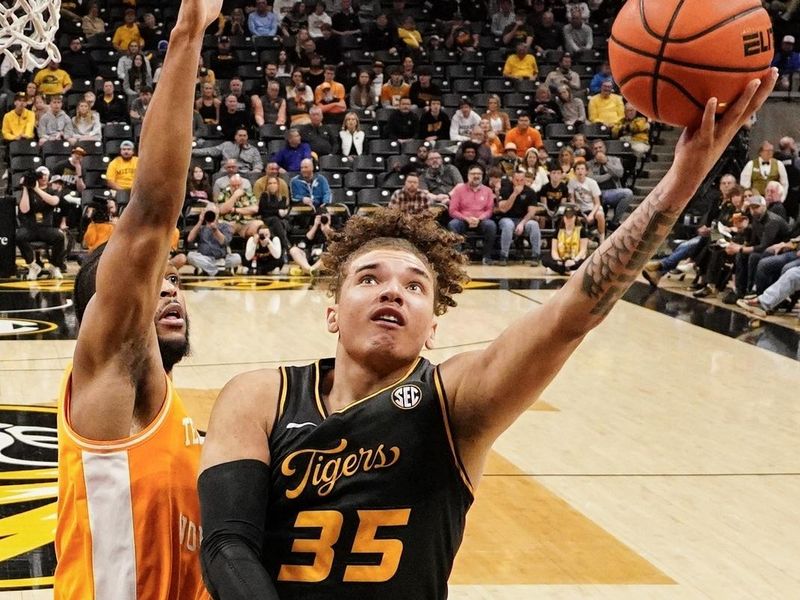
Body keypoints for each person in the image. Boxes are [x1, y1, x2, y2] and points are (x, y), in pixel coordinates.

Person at [197, 70, 776, 598]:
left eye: (415, 286)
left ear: (433, 328)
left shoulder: (454, 402)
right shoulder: (259, 397)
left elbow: (571, 313)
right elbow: (227, 546)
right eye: (368, 279)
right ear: (332, 311)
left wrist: (680, 183)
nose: (392, 291)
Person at [55, 1, 221, 597]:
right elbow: (151, 213)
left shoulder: (168, 412)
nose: (169, 286)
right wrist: (187, 35)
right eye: (154, 284)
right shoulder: (112, 380)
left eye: (174, 281)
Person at [16, 167, 66, 280]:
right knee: (19, 236)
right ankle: (32, 265)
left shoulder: (51, 190)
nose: (43, 177)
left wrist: (37, 189)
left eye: (45, 175)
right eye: (41, 175)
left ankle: (54, 266)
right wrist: (25, 188)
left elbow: (54, 201)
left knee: (59, 236)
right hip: (30, 227)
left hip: (46, 227)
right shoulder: (28, 191)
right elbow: (24, 209)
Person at [448, 164, 498, 265]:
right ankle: (458, 256)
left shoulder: (488, 191)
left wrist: (479, 219)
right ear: (468, 175)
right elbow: (452, 210)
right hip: (463, 220)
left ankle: (486, 257)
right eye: (473, 173)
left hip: (481, 220)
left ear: (482, 176)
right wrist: (466, 218)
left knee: (491, 225)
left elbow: (489, 210)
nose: (476, 176)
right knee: (453, 224)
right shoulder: (459, 190)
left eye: (479, 174)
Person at [496, 170, 543, 266]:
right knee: (508, 225)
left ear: (525, 180)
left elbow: (532, 212)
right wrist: (514, 194)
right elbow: (503, 209)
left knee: (534, 225)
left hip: (523, 219)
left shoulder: (530, 192)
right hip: (507, 218)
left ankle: (536, 256)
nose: (519, 182)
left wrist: (522, 223)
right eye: (517, 180)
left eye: (522, 180)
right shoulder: (505, 190)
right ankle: (504, 256)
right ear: (512, 180)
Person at [588, 139, 634, 226]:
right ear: (592, 151)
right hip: (596, 194)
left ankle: (614, 222)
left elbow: (620, 173)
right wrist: (610, 175)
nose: (598, 150)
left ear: (605, 148)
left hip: (613, 192)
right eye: (595, 148)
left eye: (600, 147)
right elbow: (592, 179)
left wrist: (606, 162)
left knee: (628, 193)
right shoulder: (588, 164)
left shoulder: (615, 160)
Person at [187, 205, 242, 276]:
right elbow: (189, 239)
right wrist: (200, 221)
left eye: (213, 213)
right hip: (205, 258)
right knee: (190, 256)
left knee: (237, 258)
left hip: (222, 259)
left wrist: (215, 230)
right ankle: (217, 271)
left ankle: (209, 270)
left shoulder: (224, 226)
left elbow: (224, 242)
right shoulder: (201, 228)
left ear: (217, 215)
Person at [542, 204, 589, 274]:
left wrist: (574, 260)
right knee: (545, 259)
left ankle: (560, 271)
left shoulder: (581, 230)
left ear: (575, 218)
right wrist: (558, 260)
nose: (569, 219)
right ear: (563, 218)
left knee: (586, 261)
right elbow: (554, 250)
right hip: (561, 258)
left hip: (575, 258)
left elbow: (583, 250)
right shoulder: (558, 231)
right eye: (567, 217)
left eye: (571, 217)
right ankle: (567, 270)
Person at [216, 173, 265, 239]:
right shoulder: (223, 193)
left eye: (238, 185)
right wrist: (234, 196)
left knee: (259, 223)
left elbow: (255, 209)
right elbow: (222, 210)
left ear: (242, 185)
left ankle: (253, 246)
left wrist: (234, 210)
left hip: (246, 222)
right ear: (229, 185)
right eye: (233, 186)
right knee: (222, 225)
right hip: (229, 222)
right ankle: (226, 247)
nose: (236, 188)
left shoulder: (248, 194)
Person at [569, 158, 605, 241]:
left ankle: (602, 237)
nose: (580, 171)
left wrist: (591, 215)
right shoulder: (571, 182)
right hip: (580, 208)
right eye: (577, 169)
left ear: (586, 171)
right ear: (574, 172)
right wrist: (577, 210)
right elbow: (572, 199)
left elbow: (597, 203)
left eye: (582, 169)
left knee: (600, 215)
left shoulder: (592, 183)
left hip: (592, 208)